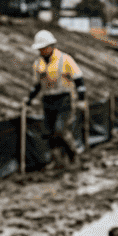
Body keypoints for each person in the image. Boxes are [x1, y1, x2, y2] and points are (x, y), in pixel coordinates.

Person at [25, 29, 86, 167]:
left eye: (43, 48)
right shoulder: (38, 64)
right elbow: (37, 85)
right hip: (48, 100)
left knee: (60, 130)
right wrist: (29, 100)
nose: (41, 51)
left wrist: (82, 99)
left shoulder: (65, 59)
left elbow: (79, 80)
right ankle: (56, 160)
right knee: (49, 132)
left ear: (51, 46)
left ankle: (73, 155)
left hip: (64, 99)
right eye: (39, 49)